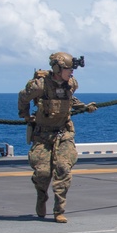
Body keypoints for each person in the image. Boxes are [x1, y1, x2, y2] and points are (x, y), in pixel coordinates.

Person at [18, 52, 96, 223]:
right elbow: (23, 97)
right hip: (43, 135)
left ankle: (58, 210)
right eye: (68, 69)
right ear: (57, 68)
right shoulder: (39, 86)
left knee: (63, 168)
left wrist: (84, 107)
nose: (71, 73)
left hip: (63, 133)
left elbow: (69, 100)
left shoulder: (71, 84)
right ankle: (41, 196)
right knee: (43, 172)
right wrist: (25, 116)